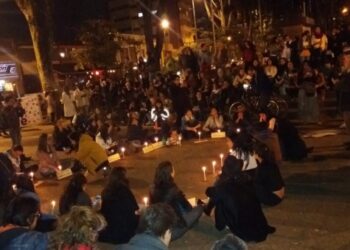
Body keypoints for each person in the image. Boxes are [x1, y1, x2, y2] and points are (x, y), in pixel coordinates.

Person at [205, 156, 275, 242]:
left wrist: (217, 181)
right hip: (260, 227)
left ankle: (221, 223)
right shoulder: (247, 180)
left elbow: (209, 192)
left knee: (219, 202)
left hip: (244, 231)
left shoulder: (224, 187)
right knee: (223, 198)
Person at [149, 161, 203, 240]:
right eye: (173, 169)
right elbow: (187, 207)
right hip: (171, 233)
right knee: (200, 208)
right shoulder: (173, 189)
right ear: (170, 173)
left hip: (157, 229)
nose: (175, 171)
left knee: (177, 206)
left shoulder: (152, 188)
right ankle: (191, 223)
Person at [99, 167, 139, 244]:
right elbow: (134, 208)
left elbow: (104, 211)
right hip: (124, 231)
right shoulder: (124, 191)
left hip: (110, 229)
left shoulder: (107, 191)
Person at [337, 46, 350, 150]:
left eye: (346, 56)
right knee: (347, 120)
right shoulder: (345, 71)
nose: (344, 59)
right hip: (345, 96)